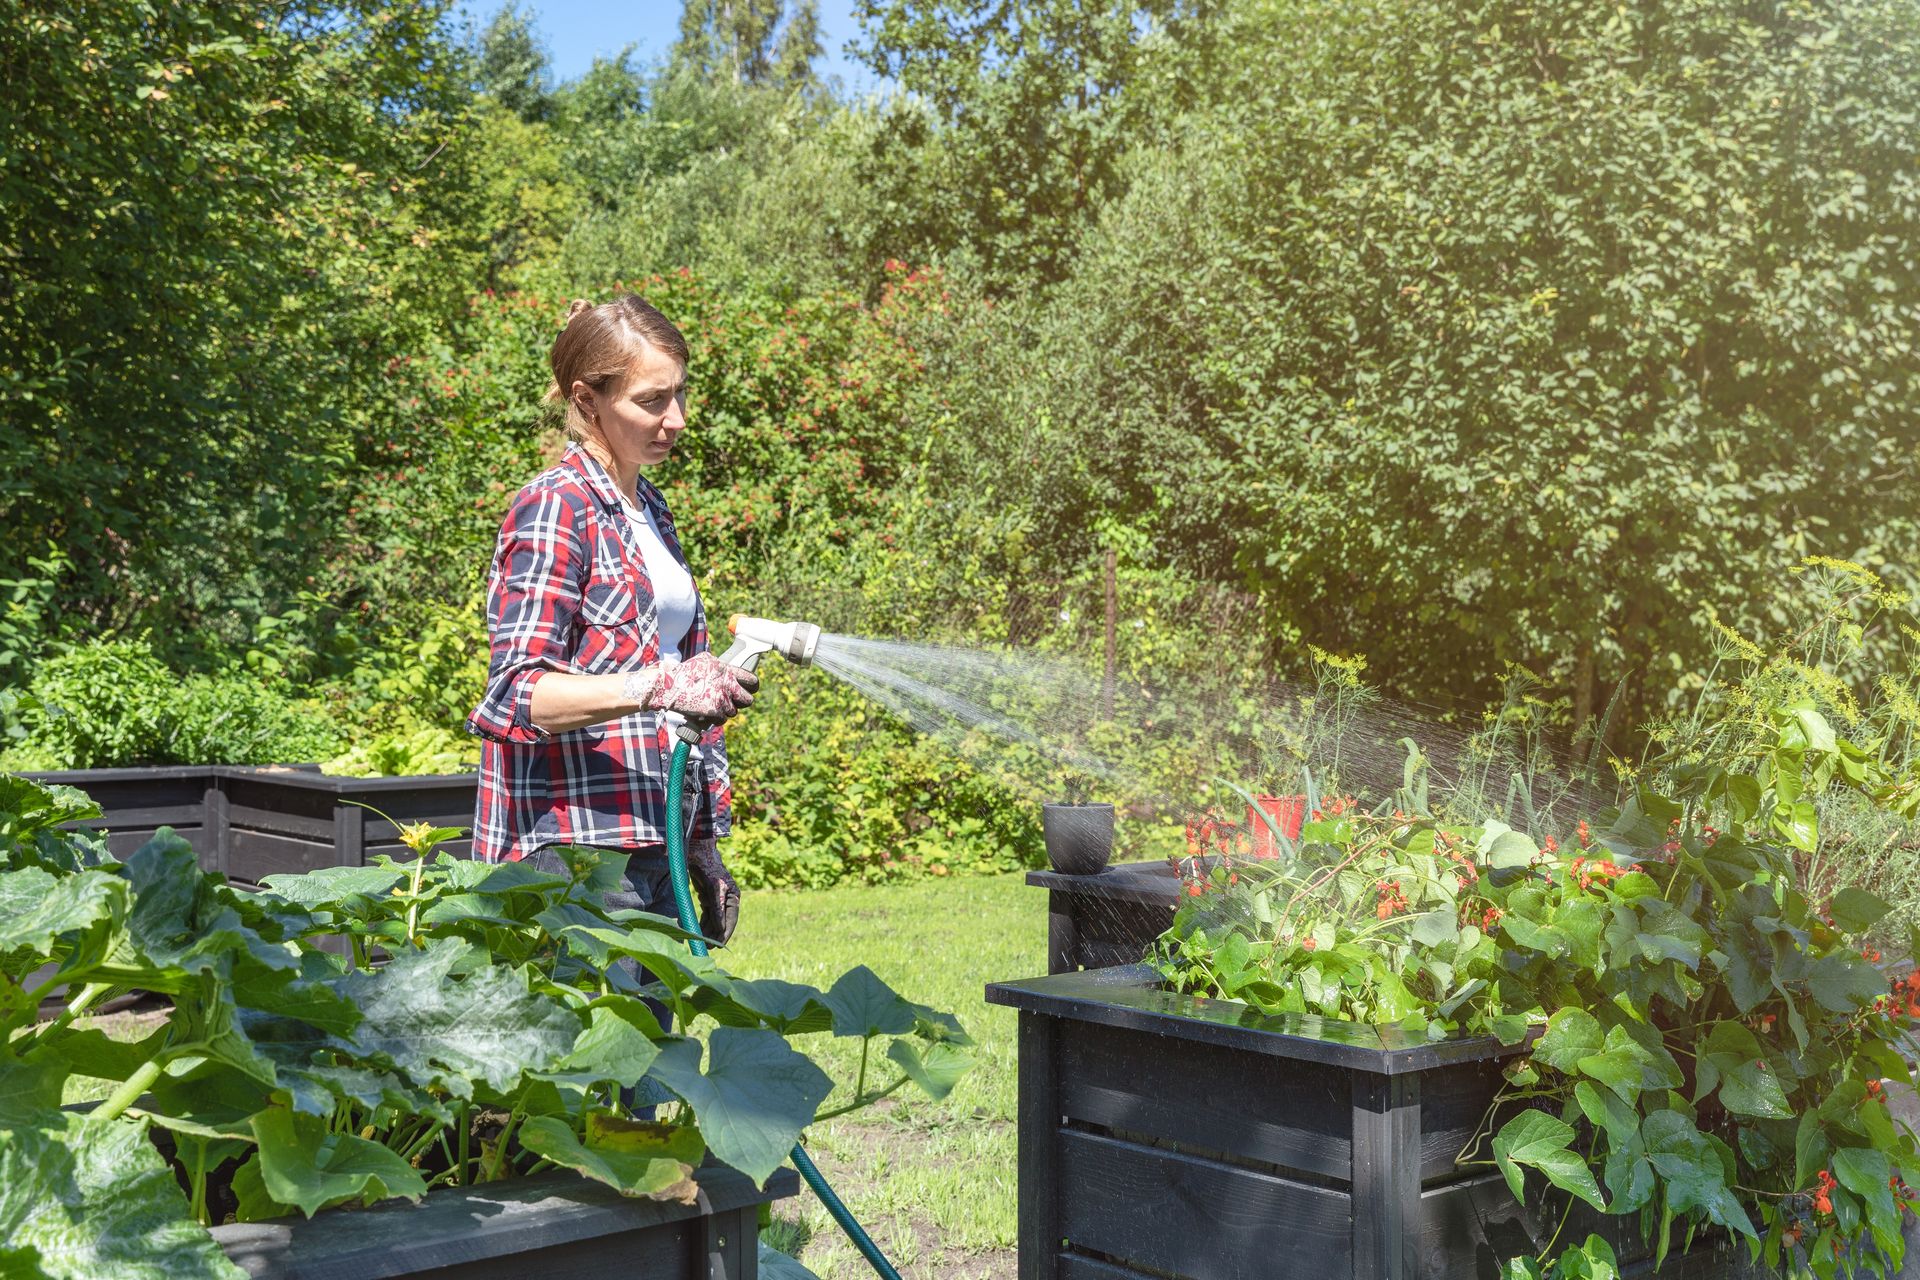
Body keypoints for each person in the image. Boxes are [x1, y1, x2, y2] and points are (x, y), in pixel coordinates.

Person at [466, 293, 756, 954]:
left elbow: (683, 684)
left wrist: (700, 844)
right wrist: (655, 686)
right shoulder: (554, 508)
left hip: (657, 839)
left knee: (660, 1050)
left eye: (680, 395)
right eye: (652, 401)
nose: (676, 419)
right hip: (571, 854)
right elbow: (517, 694)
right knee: (594, 1055)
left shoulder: (648, 506)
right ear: (587, 399)